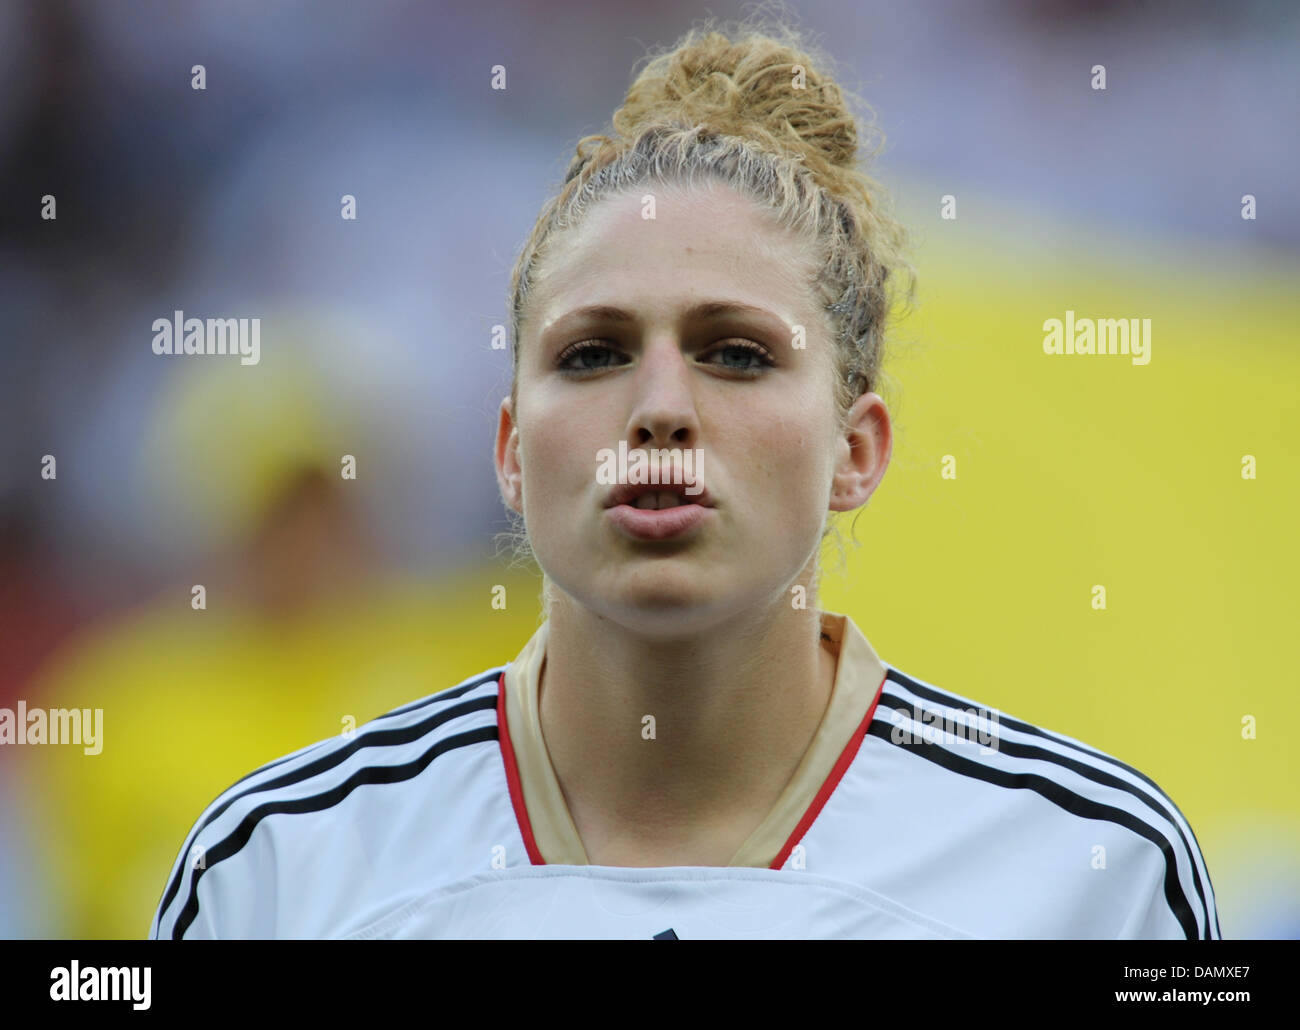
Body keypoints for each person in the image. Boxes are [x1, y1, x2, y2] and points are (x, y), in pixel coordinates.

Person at [151, 18, 1219, 940]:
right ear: (512, 452)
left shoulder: (1098, 871)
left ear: (856, 451)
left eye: (737, 353)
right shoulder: (277, 869)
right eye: (594, 353)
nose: (659, 406)